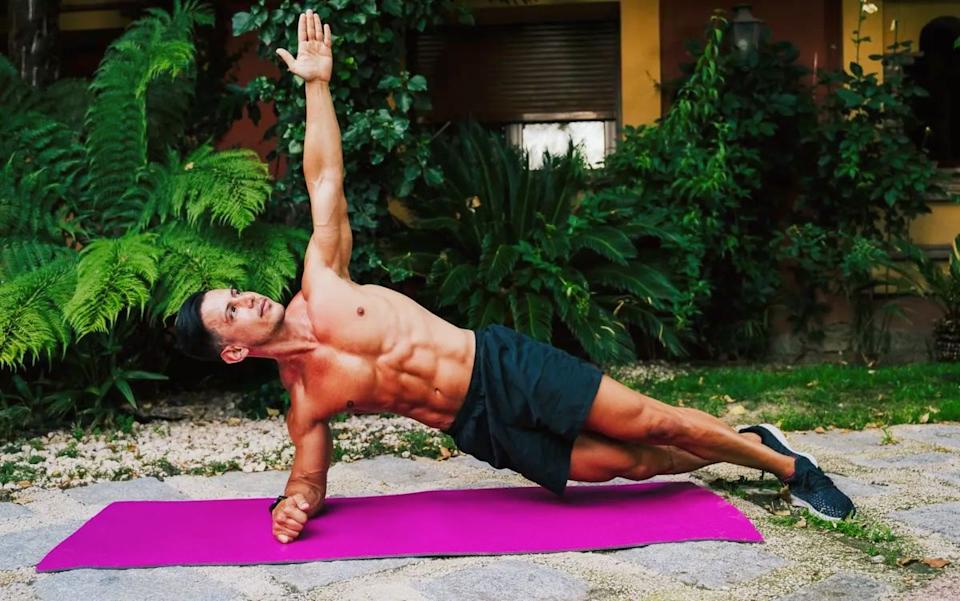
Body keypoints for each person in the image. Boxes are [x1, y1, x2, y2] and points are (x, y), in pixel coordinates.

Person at [174, 10, 855, 545]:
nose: (246, 299)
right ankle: (749, 444)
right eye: (230, 313)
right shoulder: (305, 401)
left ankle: (793, 470)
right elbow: (309, 476)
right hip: (477, 426)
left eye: (233, 294)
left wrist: (317, 86)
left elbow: (324, 179)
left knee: (649, 418)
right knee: (632, 464)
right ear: (234, 349)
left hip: (501, 364)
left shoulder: (322, 279)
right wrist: (295, 503)